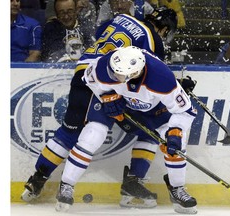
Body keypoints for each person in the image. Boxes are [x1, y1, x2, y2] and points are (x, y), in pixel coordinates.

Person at [21, 6, 195, 209]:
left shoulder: (123, 18)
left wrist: (175, 88)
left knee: (145, 131)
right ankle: (128, 180)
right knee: (80, 131)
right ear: (164, 29)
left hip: (94, 73)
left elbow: (98, 34)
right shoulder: (152, 40)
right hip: (102, 80)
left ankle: (37, 179)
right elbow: (148, 71)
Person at [55, 46, 198, 214]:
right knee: (92, 135)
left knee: (176, 146)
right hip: (117, 101)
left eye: (118, 75)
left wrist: (175, 132)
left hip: (152, 108)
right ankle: (66, 184)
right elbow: (89, 79)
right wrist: (107, 96)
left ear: (133, 73)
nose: (112, 76)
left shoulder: (161, 78)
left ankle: (177, 189)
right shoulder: (106, 66)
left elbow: (185, 111)